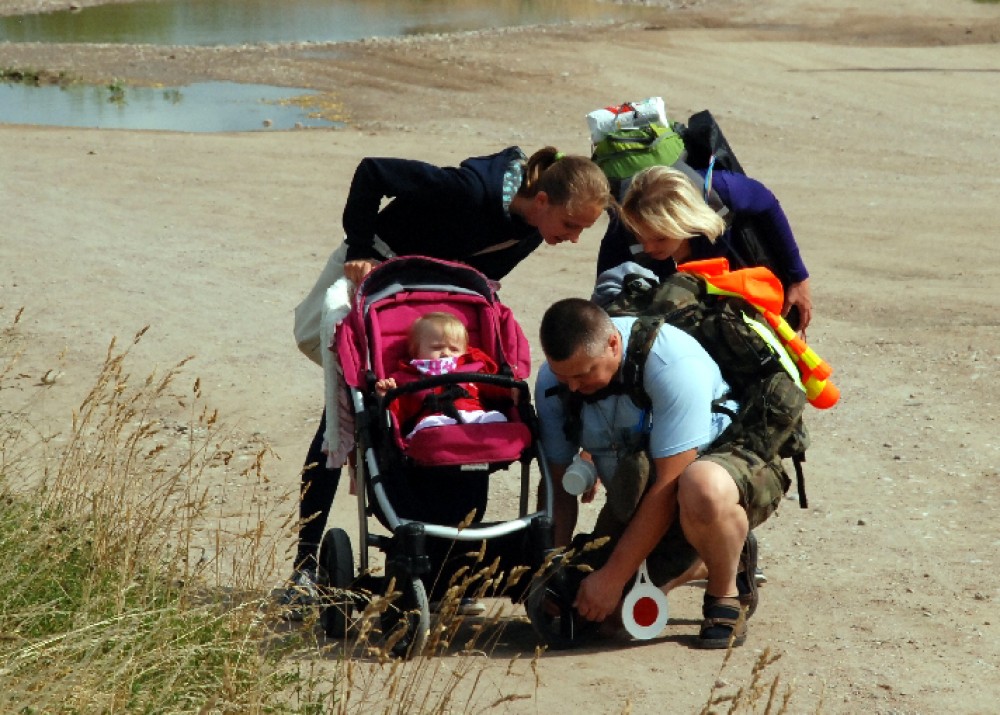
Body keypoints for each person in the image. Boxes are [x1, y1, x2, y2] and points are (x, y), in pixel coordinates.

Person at [281, 146, 611, 617]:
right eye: (572, 224)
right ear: (542, 200)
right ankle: (305, 567)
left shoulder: (533, 229)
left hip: (432, 305)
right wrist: (358, 249)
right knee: (345, 416)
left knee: (454, 415)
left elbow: (474, 281)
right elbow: (373, 171)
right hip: (374, 280)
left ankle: (445, 564)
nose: (575, 238)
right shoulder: (467, 191)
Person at [534, 297, 792, 648]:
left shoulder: (671, 363)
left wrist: (612, 578)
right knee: (601, 618)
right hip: (639, 492)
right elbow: (557, 484)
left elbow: (667, 487)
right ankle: (710, 557)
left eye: (583, 374)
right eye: (564, 377)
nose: (574, 388)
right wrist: (553, 570)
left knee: (700, 485)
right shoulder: (554, 381)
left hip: (714, 479)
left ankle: (725, 592)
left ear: (613, 344)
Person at [597, 164, 813, 332]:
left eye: (661, 238)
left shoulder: (721, 192)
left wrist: (798, 278)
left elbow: (766, 203)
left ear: (686, 221)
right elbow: (604, 306)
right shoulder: (622, 232)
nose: (648, 247)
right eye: (640, 237)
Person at [375, 311, 509, 438]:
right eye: (437, 347)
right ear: (415, 351)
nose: (446, 353)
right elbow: (401, 412)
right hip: (432, 418)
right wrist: (388, 397)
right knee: (429, 424)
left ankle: (490, 430)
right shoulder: (405, 377)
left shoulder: (472, 368)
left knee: (495, 417)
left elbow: (493, 389)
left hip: (472, 414)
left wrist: (510, 390)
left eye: (454, 349)